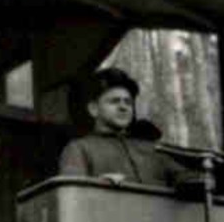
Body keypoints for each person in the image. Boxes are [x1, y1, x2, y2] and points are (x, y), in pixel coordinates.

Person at [58, 68, 186, 187]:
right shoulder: (79, 149)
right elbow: (72, 194)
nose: (123, 107)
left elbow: (189, 179)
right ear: (94, 109)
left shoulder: (153, 150)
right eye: (114, 101)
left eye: (128, 102)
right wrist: (98, 186)